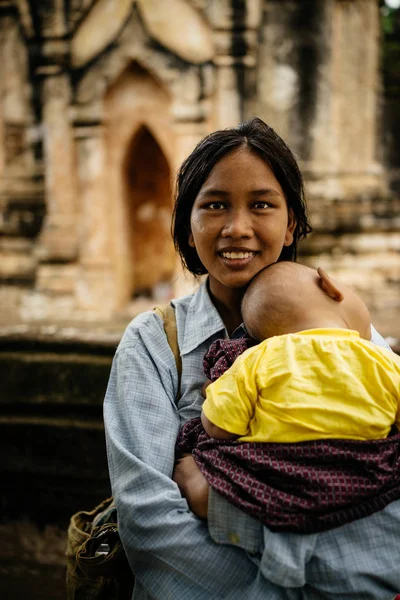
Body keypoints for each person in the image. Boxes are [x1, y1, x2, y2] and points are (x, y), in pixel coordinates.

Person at [104, 117, 400, 599]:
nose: (236, 228)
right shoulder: (154, 345)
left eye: (261, 204)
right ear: (188, 225)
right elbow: (148, 520)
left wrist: (216, 506)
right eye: (215, 205)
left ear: (291, 226)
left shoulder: (348, 333)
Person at [201, 260, 400, 443]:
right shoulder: (384, 361)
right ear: (330, 286)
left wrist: (215, 393)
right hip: (366, 472)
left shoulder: (256, 359)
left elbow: (218, 427)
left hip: (276, 474)